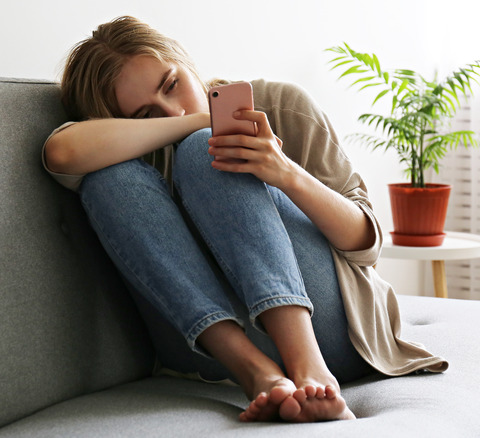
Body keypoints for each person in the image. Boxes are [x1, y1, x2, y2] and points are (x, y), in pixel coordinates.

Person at [42, 16, 447, 423]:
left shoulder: (282, 103)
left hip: (333, 335)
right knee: (110, 178)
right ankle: (258, 374)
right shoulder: (126, 148)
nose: (173, 108)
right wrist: (198, 122)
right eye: (145, 115)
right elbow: (61, 153)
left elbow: (367, 245)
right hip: (209, 353)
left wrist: (285, 173)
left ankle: (309, 367)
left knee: (206, 150)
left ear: (183, 60)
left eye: (171, 84)